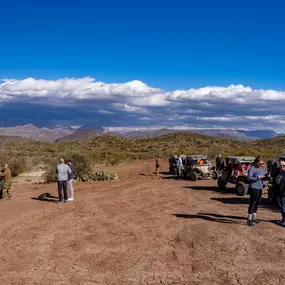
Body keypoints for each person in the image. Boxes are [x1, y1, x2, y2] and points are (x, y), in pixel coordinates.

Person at [247, 156, 265, 226]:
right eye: (260, 164)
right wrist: (258, 177)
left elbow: (263, 176)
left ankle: (254, 218)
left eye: (262, 164)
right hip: (253, 188)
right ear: (256, 162)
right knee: (253, 203)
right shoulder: (252, 169)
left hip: (259, 188)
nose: (261, 165)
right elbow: (249, 177)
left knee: (257, 202)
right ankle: (249, 219)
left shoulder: (261, 169)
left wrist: (266, 176)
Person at [275, 161, 285, 226]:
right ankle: (283, 219)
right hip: (279, 192)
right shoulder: (279, 173)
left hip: (284, 193)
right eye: (280, 165)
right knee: (281, 206)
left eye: (283, 165)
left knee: (284, 206)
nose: (281, 167)